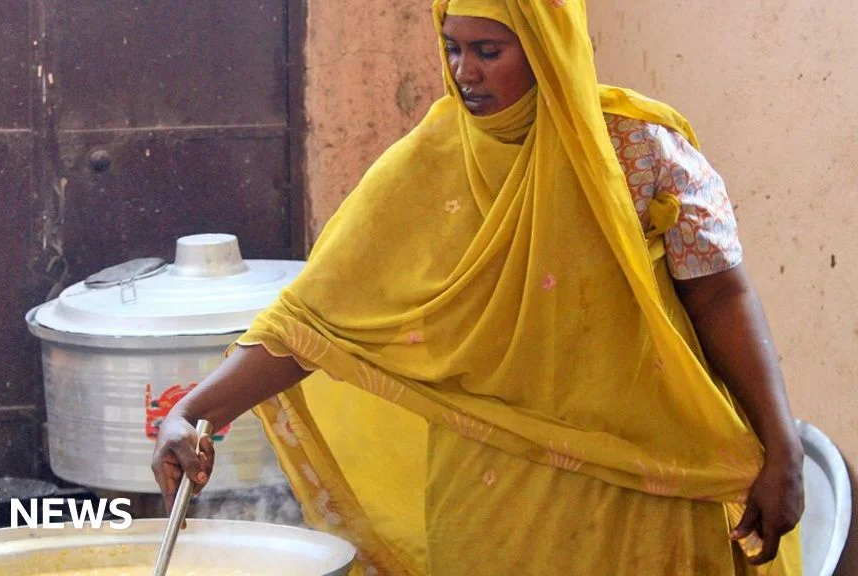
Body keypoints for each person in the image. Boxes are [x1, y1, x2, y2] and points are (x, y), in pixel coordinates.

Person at [152, 0, 804, 573]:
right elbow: (311, 322)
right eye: (453, 48)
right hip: (492, 501)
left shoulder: (637, 150)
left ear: (547, 44)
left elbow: (719, 294)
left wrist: (783, 448)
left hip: (648, 488)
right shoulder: (428, 167)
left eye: (489, 51)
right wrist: (195, 411)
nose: (466, 73)